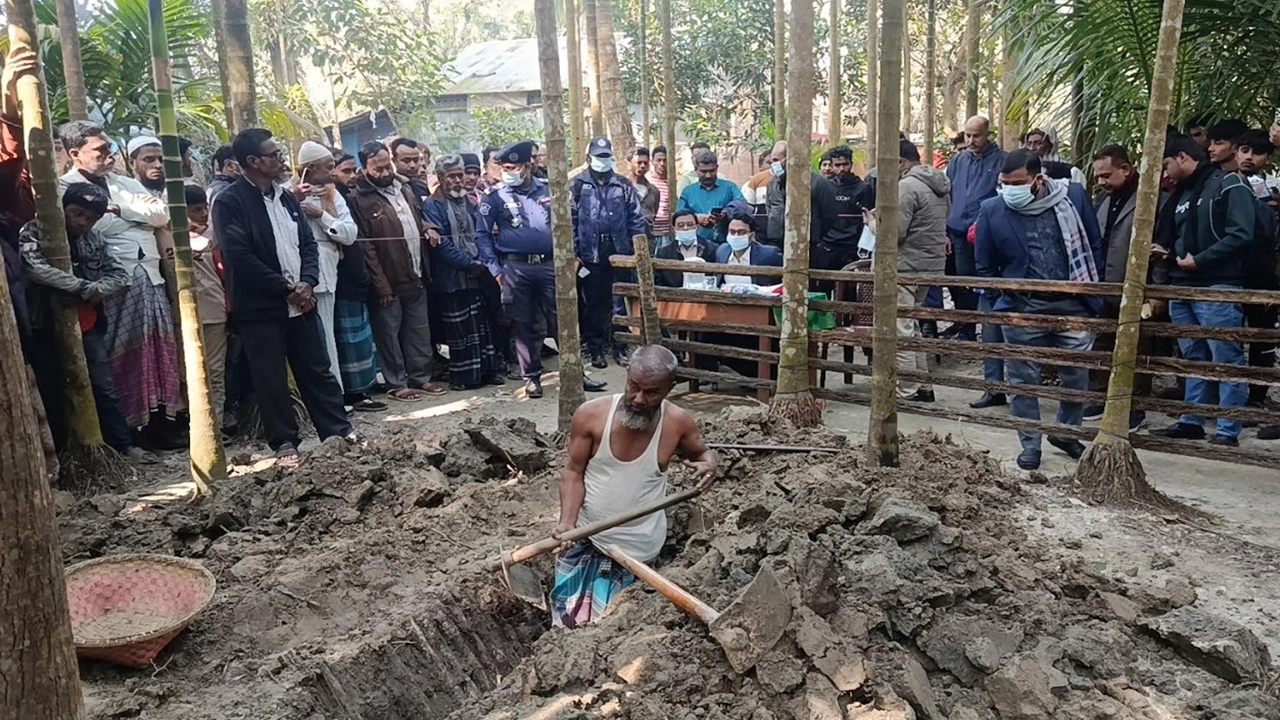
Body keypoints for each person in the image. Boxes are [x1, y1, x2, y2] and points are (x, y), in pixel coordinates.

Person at [211, 128, 360, 464]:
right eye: (274, 154)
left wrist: (307, 282)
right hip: (261, 306)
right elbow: (239, 256)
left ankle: (337, 430)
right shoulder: (230, 202)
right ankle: (284, 442)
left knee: (317, 369)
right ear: (253, 161)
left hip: (302, 301)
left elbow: (307, 244)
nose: (282, 160)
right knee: (271, 377)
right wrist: (285, 288)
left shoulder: (288, 198)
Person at [550, 345, 718, 628]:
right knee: (566, 628)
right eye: (634, 387)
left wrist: (709, 465)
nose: (639, 399)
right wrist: (567, 523)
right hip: (587, 539)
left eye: (651, 392)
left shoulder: (677, 424)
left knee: (614, 631)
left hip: (638, 552)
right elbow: (573, 473)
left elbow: (703, 453)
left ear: (669, 388)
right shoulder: (591, 416)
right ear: (627, 374)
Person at [974, 149, 1103, 471]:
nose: (1009, 189)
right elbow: (984, 266)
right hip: (1023, 307)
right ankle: (1030, 444)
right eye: (1004, 183)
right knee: (1023, 379)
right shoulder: (992, 209)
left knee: (1076, 376)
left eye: (1017, 183)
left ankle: (1066, 433)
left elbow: (1093, 243)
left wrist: (1089, 293)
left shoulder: (1073, 197)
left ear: (1038, 178)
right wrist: (1009, 296)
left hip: (1073, 304)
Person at [59, 120, 183, 431]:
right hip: (110, 282)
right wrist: (134, 217)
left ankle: (162, 423)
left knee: (158, 349)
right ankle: (132, 428)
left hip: (149, 274)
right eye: (99, 149)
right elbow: (94, 226)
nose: (108, 154)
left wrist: (119, 210)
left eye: (109, 147)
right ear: (75, 154)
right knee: (120, 355)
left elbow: (161, 214)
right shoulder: (64, 187)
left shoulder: (125, 183)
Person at [20, 182, 157, 462]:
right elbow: (36, 269)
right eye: (77, 213)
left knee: (103, 387)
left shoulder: (95, 239)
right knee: (51, 390)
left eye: (91, 218)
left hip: (87, 324)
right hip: (43, 325)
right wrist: (81, 287)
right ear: (63, 208)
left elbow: (120, 276)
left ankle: (123, 447)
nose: (82, 222)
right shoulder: (34, 231)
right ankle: (61, 457)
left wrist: (95, 290)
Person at [477, 139, 608, 398]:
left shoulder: (550, 190)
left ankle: (576, 373)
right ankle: (532, 378)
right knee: (524, 323)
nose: (507, 172)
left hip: (551, 265)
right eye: (504, 167)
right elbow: (482, 235)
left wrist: (574, 255)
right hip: (516, 268)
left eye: (512, 168)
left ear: (527, 167)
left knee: (564, 320)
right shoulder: (494, 196)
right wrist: (495, 269)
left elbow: (570, 223)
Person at [1149, 134, 1257, 447]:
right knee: (1192, 356)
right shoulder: (1181, 194)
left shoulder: (1228, 184)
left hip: (1217, 284)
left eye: (1166, 164)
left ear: (1182, 157)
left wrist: (1201, 260)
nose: (1165, 173)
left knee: (1226, 357)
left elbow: (1242, 234)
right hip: (1182, 286)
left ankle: (1227, 428)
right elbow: (1182, 237)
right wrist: (1167, 254)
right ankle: (1192, 420)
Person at [347, 140, 447, 401]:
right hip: (388, 280)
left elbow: (415, 218)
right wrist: (380, 284)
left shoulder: (404, 187)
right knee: (389, 334)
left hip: (416, 271)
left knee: (419, 331)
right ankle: (396, 382)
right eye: (377, 169)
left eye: (386, 166)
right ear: (365, 168)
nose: (384, 173)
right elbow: (365, 246)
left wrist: (427, 227)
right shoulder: (357, 198)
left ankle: (421, 377)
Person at [1080, 145, 1153, 431]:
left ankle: (1135, 406)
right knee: (1103, 341)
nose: (1101, 181)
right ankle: (1100, 396)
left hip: (1134, 284)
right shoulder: (1101, 199)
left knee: (1136, 347)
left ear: (1125, 169)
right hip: (1104, 283)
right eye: (1098, 176)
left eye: (1106, 175)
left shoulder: (1149, 197)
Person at [422, 154, 504, 390]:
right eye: (452, 176)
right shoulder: (433, 205)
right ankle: (465, 378)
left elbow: (481, 233)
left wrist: (482, 262)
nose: (458, 180)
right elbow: (442, 246)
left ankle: (487, 372)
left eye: (461, 175)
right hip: (451, 278)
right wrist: (469, 264)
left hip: (477, 275)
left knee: (481, 325)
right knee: (460, 330)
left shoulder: (469, 201)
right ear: (440, 178)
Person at [571, 137, 647, 369]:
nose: (602, 161)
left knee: (619, 302)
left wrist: (634, 250)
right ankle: (596, 350)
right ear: (589, 158)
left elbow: (636, 218)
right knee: (593, 303)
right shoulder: (577, 185)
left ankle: (620, 347)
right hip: (590, 254)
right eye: (598, 157)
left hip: (619, 251)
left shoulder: (622, 184)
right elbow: (570, 220)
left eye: (606, 157)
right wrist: (575, 251)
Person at [945, 115, 1007, 394]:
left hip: (985, 231)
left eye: (976, 136)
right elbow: (947, 193)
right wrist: (945, 229)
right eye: (967, 135)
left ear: (987, 134)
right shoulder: (958, 161)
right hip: (958, 230)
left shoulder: (1001, 160)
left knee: (986, 281)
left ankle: (989, 330)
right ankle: (966, 328)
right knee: (963, 281)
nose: (970, 141)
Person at [292, 141, 358, 386]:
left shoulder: (332, 193)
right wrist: (295, 201)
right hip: (296, 279)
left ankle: (334, 394)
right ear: (310, 168)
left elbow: (349, 234)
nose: (332, 172)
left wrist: (321, 215)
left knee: (327, 337)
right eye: (328, 167)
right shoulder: (286, 193)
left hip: (326, 275)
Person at [328, 150, 386, 413]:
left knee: (362, 338)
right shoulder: (328, 198)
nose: (352, 176)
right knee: (348, 340)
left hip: (357, 277)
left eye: (354, 170)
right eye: (346, 171)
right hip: (341, 280)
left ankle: (366, 386)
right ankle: (354, 393)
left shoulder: (347, 198)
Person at [893, 139, 951, 402]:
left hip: (905, 266)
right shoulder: (939, 185)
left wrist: (872, 223)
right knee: (912, 325)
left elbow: (896, 232)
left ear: (900, 162)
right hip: (929, 266)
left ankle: (906, 389)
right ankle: (923, 386)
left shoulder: (906, 186)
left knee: (901, 330)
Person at [1234, 130, 1280, 431]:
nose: (1249, 157)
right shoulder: (1223, 184)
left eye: (1258, 152)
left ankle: (1256, 398)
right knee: (1228, 337)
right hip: (1230, 273)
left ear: (1268, 158)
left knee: (1262, 338)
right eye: (1245, 150)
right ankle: (1226, 397)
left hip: (1265, 276)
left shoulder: (1275, 188)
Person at [819, 145, 875, 273]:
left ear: (851, 164)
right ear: (832, 165)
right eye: (837, 165)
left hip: (852, 248)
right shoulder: (826, 187)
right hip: (828, 247)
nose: (842, 169)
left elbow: (868, 220)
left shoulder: (863, 188)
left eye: (845, 164)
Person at [677, 149, 744, 245]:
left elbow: (742, 206)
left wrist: (726, 213)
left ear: (717, 168)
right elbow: (679, 216)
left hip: (726, 244)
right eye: (703, 171)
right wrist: (695, 218)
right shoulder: (688, 191)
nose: (708, 175)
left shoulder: (730, 187)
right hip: (696, 244)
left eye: (711, 171)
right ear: (696, 169)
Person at [717, 210, 783, 284]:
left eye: (741, 232)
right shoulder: (722, 251)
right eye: (732, 232)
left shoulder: (769, 255)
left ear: (752, 235)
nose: (735, 236)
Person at [655, 209, 717, 287]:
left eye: (690, 225)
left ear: (697, 227)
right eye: (681, 225)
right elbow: (659, 282)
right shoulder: (664, 253)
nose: (685, 228)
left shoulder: (710, 249)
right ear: (674, 229)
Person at [1022, 125, 1086, 185]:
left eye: (1038, 143)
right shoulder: (1023, 167)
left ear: (1050, 144)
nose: (1032, 148)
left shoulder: (1069, 170)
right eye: (1029, 143)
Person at [629, 147, 660, 248]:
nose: (642, 166)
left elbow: (654, 213)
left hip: (648, 242)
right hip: (627, 242)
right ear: (629, 164)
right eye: (639, 162)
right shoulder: (621, 189)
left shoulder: (654, 191)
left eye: (645, 163)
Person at [392, 138, 432, 205]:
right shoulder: (393, 188)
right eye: (406, 161)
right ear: (394, 161)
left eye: (416, 160)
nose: (412, 165)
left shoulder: (421, 185)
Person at [648, 146, 672, 247]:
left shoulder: (672, 183)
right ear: (652, 161)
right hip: (651, 232)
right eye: (658, 160)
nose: (662, 164)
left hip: (668, 233)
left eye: (665, 160)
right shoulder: (647, 181)